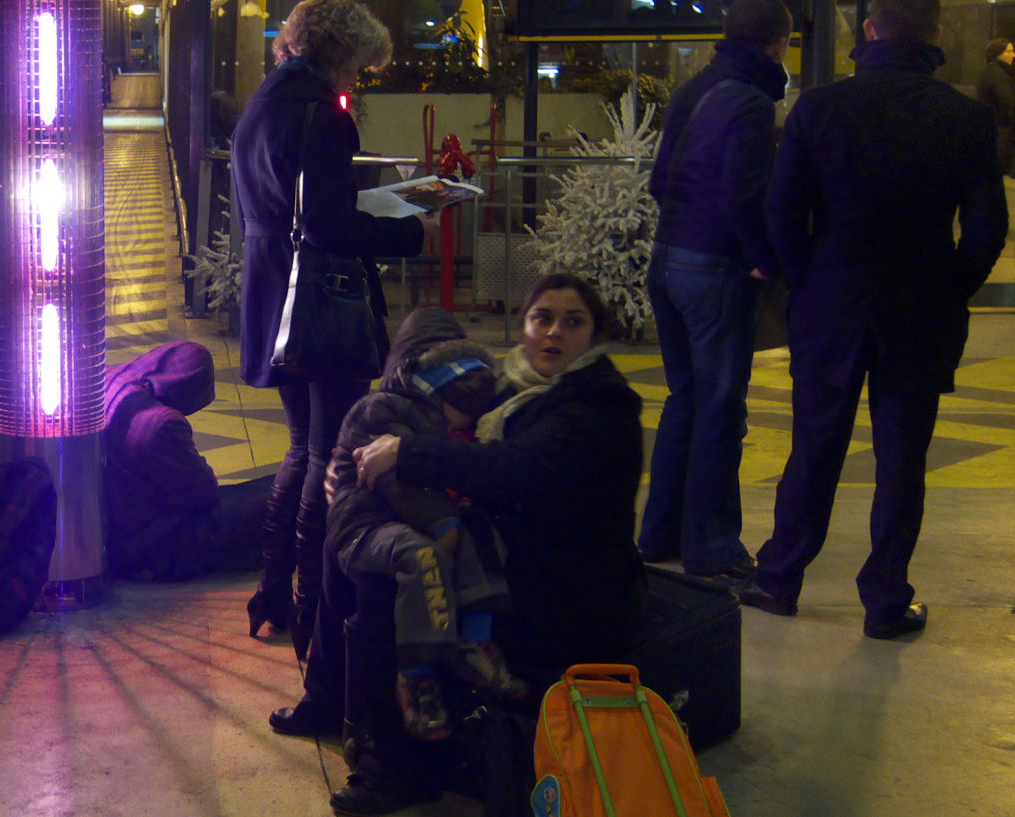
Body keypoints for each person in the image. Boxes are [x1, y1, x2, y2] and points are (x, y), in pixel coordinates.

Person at [748, 0, 1008, 639]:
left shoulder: (819, 109)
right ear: (938, 37)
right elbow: (986, 225)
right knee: (901, 458)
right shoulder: (966, 118)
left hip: (831, 306)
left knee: (815, 445)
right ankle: (885, 600)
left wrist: (807, 280)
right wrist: (949, 288)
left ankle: (780, 577)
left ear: (867, 32)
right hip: (920, 310)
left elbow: (780, 212)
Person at [341, 275, 646, 814]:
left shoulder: (601, 408)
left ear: (594, 335)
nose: (554, 332)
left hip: (564, 584)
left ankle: (396, 764)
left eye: (572, 321)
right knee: (369, 552)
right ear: (524, 326)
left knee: (384, 596)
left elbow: (517, 470)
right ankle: (367, 730)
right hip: (510, 554)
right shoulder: (511, 388)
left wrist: (407, 453)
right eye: (542, 318)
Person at [230, 0, 427, 660]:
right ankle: (313, 612)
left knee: (297, 448)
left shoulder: (262, 102)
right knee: (328, 456)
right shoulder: (324, 113)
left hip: (269, 292)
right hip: (318, 301)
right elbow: (330, 225)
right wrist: (409, 227)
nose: (359, 79)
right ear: (341, 52)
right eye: (359, 65)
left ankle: (270, 593)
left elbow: (286, 207)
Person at [268, 309, 522, 748]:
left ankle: (372, 722)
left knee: (403, 567)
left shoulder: (490, 407)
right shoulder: (393, 409)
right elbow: (392, 478)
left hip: (439, 525)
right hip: (391, 521)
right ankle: (344, 702)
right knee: (356, 558)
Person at [636, 0, 791, 581]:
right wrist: (762, 259)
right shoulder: (750, 104)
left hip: (666, 259)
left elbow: (658, 179)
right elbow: (744, 196)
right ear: (777, 45)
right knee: (722, 411)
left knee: (686, 400)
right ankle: (713, 545)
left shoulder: (695, 89)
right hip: (715, 269)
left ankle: (660, 535)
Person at [101, 340, 271, 582]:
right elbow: (203, 494)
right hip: (152, 544)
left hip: (117, 529)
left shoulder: (108, 380)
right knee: (276, 495)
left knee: (255, 496)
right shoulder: (158, 422)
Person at [975, 38, 1015, 177]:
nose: (1013, 55)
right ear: (997, 54)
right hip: (1001, 135)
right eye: (1009, 51)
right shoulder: (998, 75)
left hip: (992, 132)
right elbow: (1010, 102)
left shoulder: (989, 73)